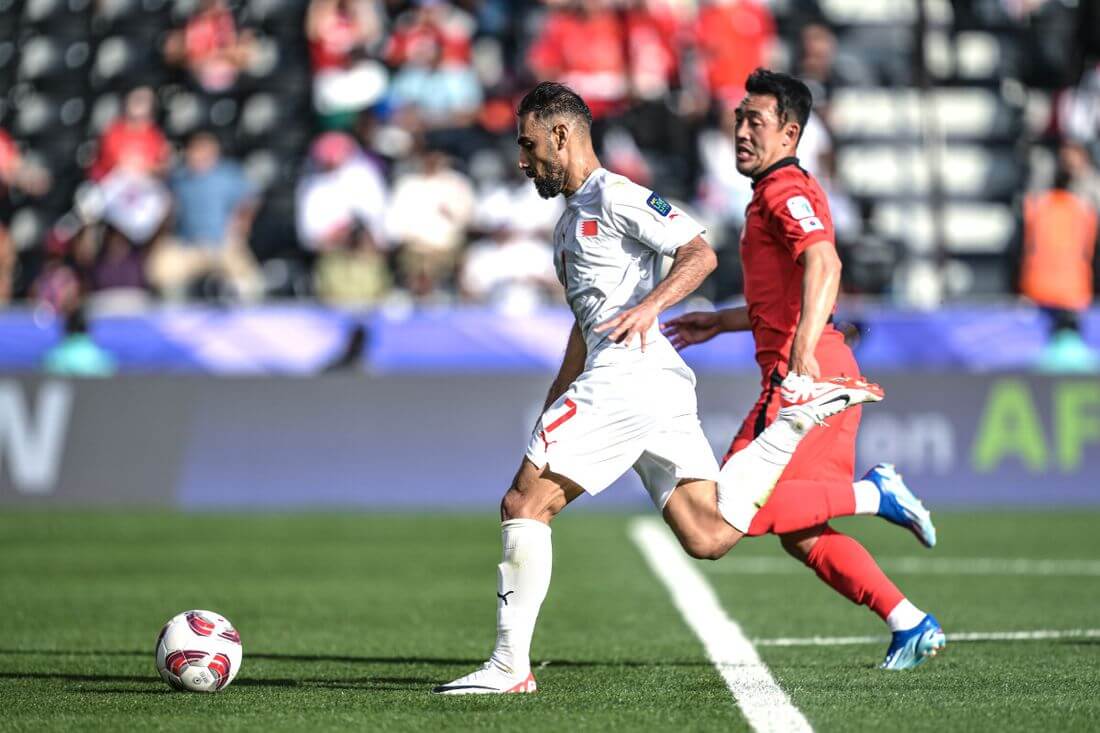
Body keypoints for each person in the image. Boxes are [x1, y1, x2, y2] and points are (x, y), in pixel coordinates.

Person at [432, 81, 885, 696]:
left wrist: (650, 307)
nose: (522, 159)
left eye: (528, 143)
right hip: (642, 381)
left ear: (560, 136)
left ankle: (510, 666)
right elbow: (583, 328)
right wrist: (556, 396)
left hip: (629, 375)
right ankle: (792, 427)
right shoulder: (568, 227)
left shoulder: (615, 195)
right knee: (710, 534)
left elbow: (698, 256)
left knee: (523, 505)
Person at [663, 69, 945, 671]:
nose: (741, 130)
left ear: (789, 132)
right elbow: (785, 295)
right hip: (813, 373)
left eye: (755, 121)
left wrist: (802, 352)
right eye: (739, 118)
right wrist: (724, 321)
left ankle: (873, 493)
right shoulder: (772, 190)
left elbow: (824, 263)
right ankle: (909, 621)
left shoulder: (783, 189)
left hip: (808, 382)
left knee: (718, 522)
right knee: (801, 530)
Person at [149, 131, 261, 300]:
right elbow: (163, 196)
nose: (199, 155)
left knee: (251, 284)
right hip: (189, 246)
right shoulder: (180, 178)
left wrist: (242, 223)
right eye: (196, 150)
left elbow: (252, 198)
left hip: (222, 244)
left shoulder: (228, 175)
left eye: (205, 150)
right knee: (161, 271)